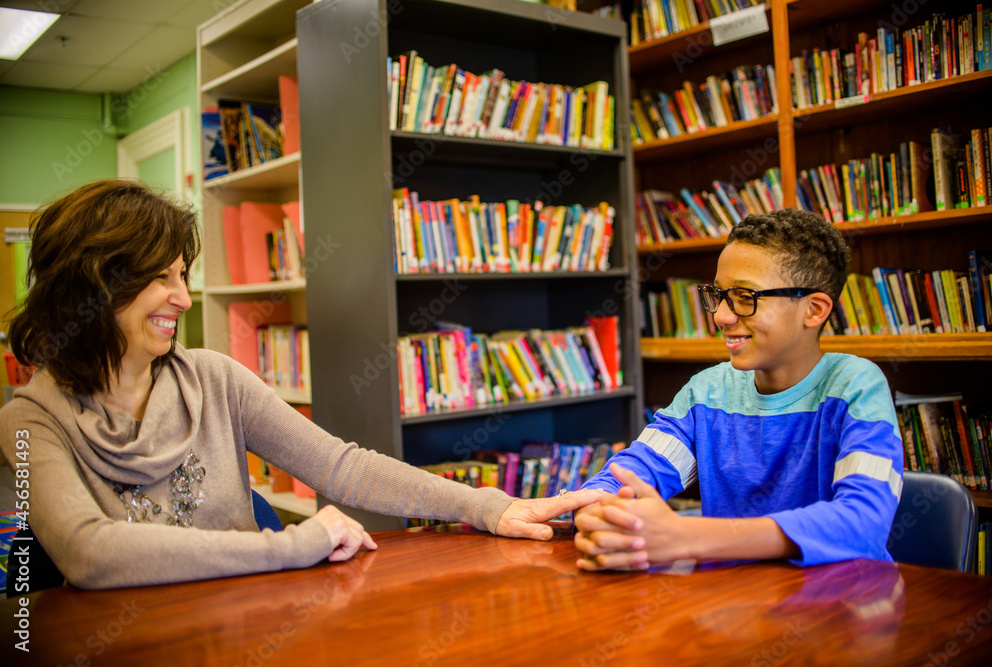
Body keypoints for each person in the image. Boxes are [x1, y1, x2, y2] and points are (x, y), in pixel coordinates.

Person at [0, 179, 599, 590]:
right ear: (94, 286)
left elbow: (344, 467)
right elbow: (87, 554)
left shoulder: (214, 379)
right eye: (160, 279)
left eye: (182, 275)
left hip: (247, 623)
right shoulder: (29, 421)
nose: (183, 299)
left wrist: (488, 507)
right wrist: (291, 544)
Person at [574, 208, 903, 571]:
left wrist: (690, 535)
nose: (722, 316)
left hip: (839, 606)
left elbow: (862, 522)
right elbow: (632, 473)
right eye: (719, 295)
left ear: (814, 310)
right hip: (732, 607)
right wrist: (598, 511)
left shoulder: (855, 386)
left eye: (745, 297)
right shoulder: (707, 393)